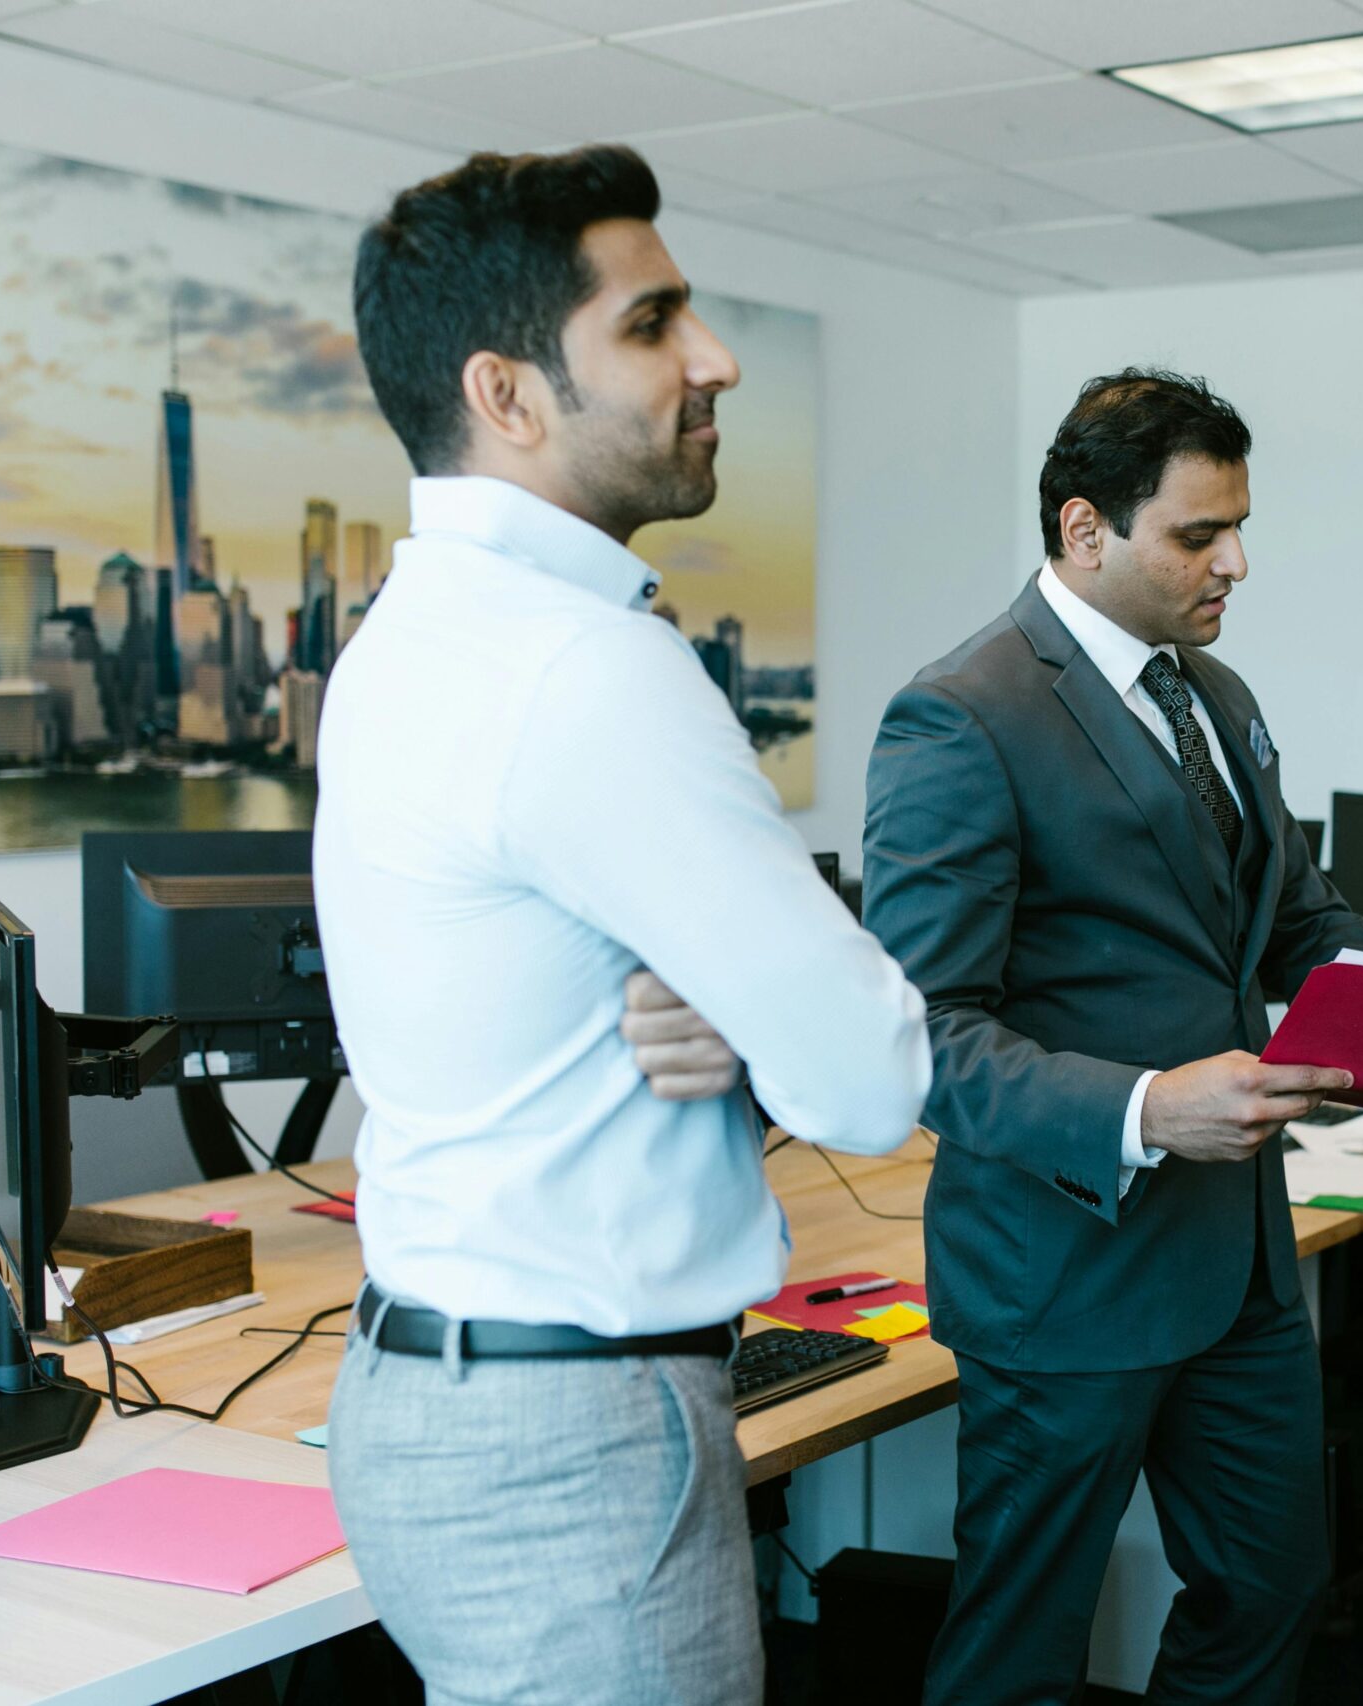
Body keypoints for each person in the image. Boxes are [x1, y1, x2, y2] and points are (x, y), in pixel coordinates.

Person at [316, 145, 931, 1706]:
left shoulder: (411, 634)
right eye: (654, 322)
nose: (715, 358)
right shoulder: (580, 668)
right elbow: (865, 1074)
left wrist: (733, 1010)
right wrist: (764, 1014)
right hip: (569, 1438)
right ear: (509, 393)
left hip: (434, 1397)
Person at [859, 370, 1363, 1705]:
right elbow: (925, 1038)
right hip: (1066, 1270)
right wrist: (1143, 1106)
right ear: (1086, 530)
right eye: (1199, 535)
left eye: (1238, 527)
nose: (1236, 563)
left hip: (1240, 1262)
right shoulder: (962, 714)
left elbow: (1288, 921)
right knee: (1022, 1651)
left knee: (1272, 1587)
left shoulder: (1221, 695)